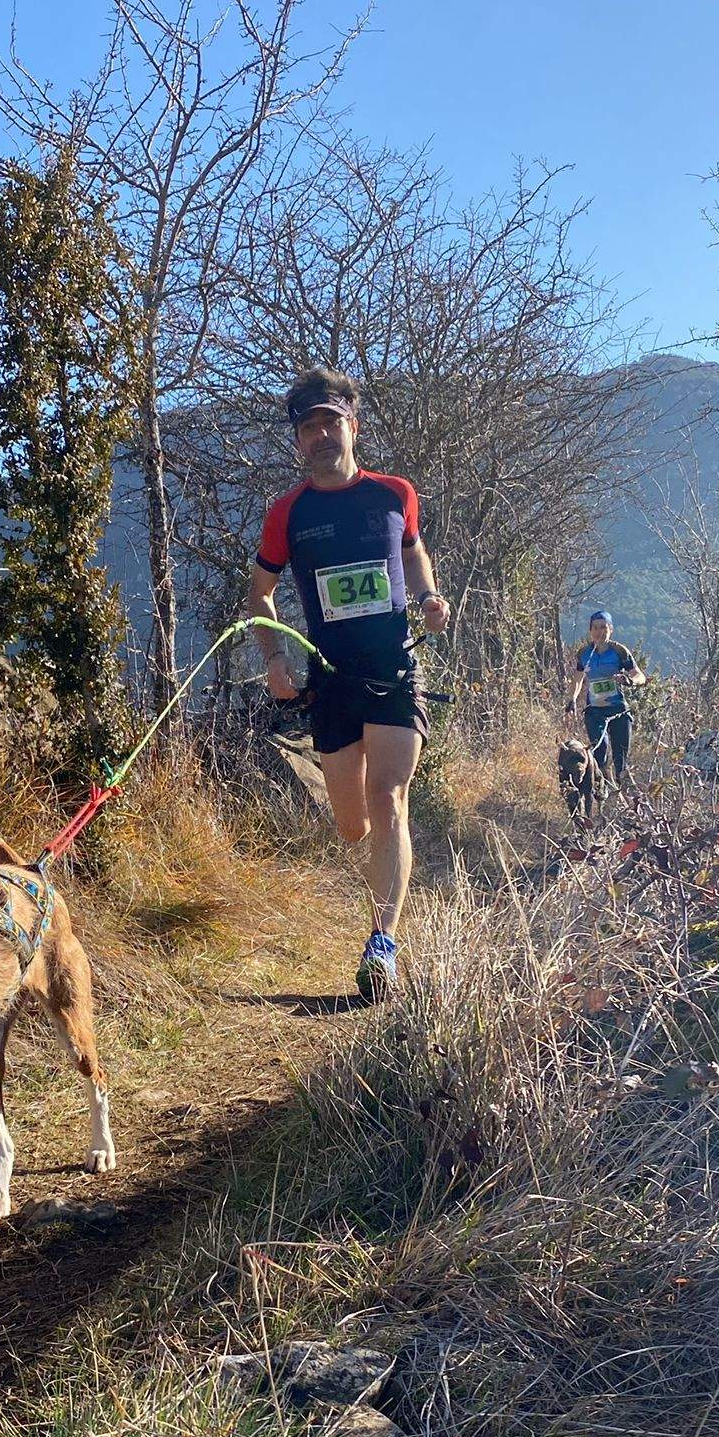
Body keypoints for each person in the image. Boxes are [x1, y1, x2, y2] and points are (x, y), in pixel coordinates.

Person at [246, 366, 450, 1001]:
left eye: (330, 422)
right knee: (352, 822)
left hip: (393, 670)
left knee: (390, 798)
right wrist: (275, 656)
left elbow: (412, 550)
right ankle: (376, 896)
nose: (320, 436)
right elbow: (261, 591)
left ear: (351, 426)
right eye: (308, 428)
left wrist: (429, 594)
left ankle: (382, 942)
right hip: (328, 679)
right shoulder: (288, 513)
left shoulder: (394, 494)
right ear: (298, 441)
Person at [567, 610, 645, 787]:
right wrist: (572, 699)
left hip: (618, 711)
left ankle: (624, 798)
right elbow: (577, 679)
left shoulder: (619, 651)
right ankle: (604, 792)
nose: (599, 631)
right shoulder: (584, 654)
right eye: (595, 628)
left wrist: (629, 680)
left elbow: (640, 676)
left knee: (621, 760)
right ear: (590, 631)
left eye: (603, 627)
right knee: (599, 754)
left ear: (611, 629)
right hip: (594, 712)